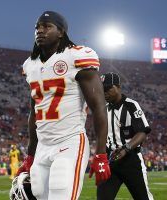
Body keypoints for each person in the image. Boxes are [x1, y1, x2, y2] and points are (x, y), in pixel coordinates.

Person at [17, 11, 111, 200]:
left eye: (47, 26)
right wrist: (30, 155)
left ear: (61, 32)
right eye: (37, 27)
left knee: (61, 192)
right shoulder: (31, 65)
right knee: (37, 195)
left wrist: (101, 154)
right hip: (43, 146)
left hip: (69, 142)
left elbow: (99, 107)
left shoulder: (76, 57)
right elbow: (34, 113)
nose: (40, 31)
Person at [98, 72, 154, 200]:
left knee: (143, 197)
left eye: (108, 89)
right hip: (111, 161)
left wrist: (126, 148)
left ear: (118, 86)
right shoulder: (104, 108)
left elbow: (142, 131)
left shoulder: (131, 105)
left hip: (131, 159)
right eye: (103, 90)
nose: (105, 93)